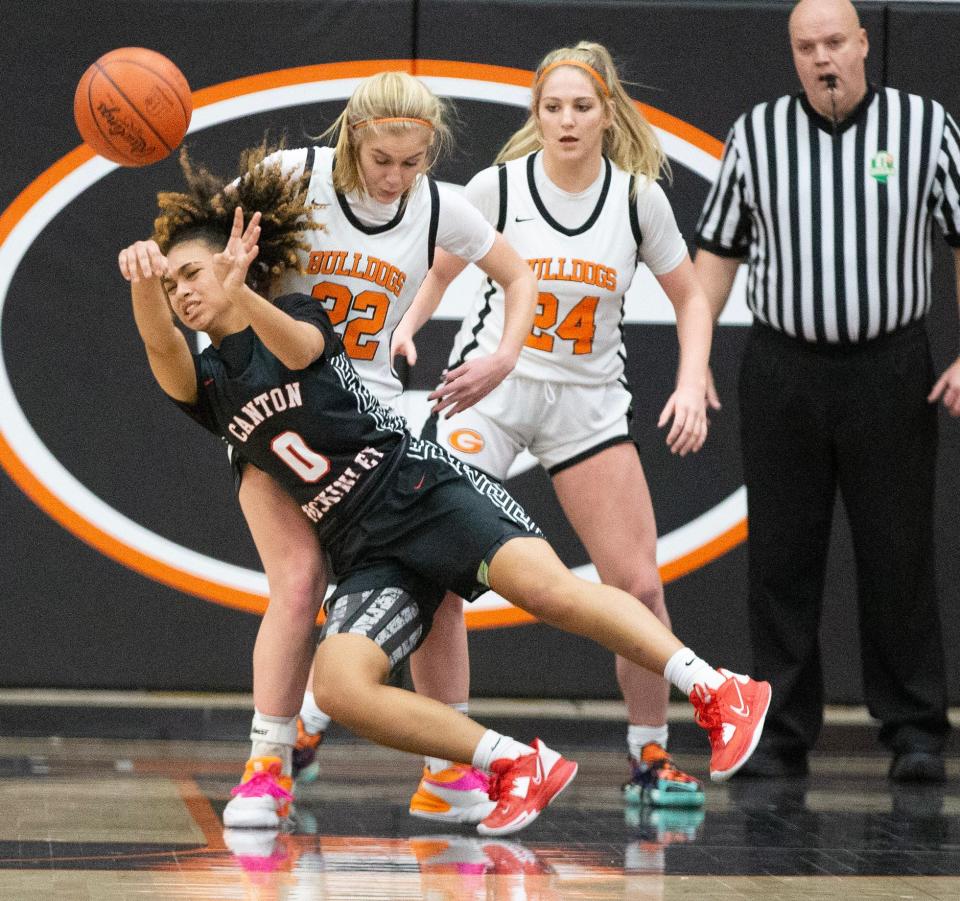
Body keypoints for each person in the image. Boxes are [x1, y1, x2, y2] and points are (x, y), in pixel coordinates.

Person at [117, 160, 772, 836]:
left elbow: (298, 346)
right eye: (175, 284)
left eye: (192, 274)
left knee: (551, 593)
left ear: (237, 263)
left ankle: (717, 688)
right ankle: (513, 762)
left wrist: (239, 289)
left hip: (421, 491)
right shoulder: (208, 386)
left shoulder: (295, 312)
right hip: (364, 548)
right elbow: (160, 342)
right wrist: (145, 281)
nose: (184, 292)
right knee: (340, 687)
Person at [393, 41, 714, 809]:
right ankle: (448, 761)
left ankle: (649, 756)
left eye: (581, 106)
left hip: (587, 405)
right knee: (436, 570)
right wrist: (407, 327)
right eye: (552, 106)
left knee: (637, 584)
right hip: (490, 393)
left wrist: (693, 380)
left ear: (608, 114)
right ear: (536, 116)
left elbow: (694, 298)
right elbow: (434, 271)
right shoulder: (499, 187)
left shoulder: (638, 199)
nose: (566, 120)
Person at [220, 71, 538, 828]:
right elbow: (205, 237)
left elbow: (518, 273)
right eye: (382, 159)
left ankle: (450, 773)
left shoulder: (435, 205)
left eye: (413, 160)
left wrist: (504, 355)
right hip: (282, 406)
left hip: (370, 419)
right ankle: (267, 764)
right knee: (298, 583)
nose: (396, 176)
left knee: (446, 584)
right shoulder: (286, 178)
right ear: (351, 136)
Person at [693, 0, 960, 781]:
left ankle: (915, 729)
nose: (823, 58)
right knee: (781, 555)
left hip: (890, 366)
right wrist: (693, 357)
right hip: (783, 368)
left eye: (835, 42)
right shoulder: (756, 133)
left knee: (899, 551)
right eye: (807, 46)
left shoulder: (923, 126)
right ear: (793, 53)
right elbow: (716, 252)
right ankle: (778, 733)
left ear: (865, 43)